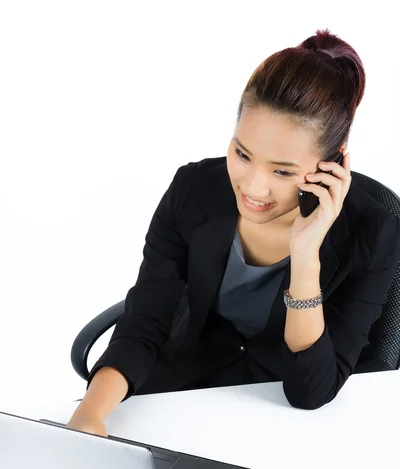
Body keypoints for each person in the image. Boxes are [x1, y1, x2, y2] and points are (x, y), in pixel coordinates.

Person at [66, 28, 400, 437]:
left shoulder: (374, 233)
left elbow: (311, 390)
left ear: (334, 162)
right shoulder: (193, 191)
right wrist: (90, 416)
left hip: (280, 417)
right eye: (242, 154)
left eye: (283, 171)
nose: (253, 188)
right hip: (182, 395)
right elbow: (145, 323)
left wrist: (306, 253)